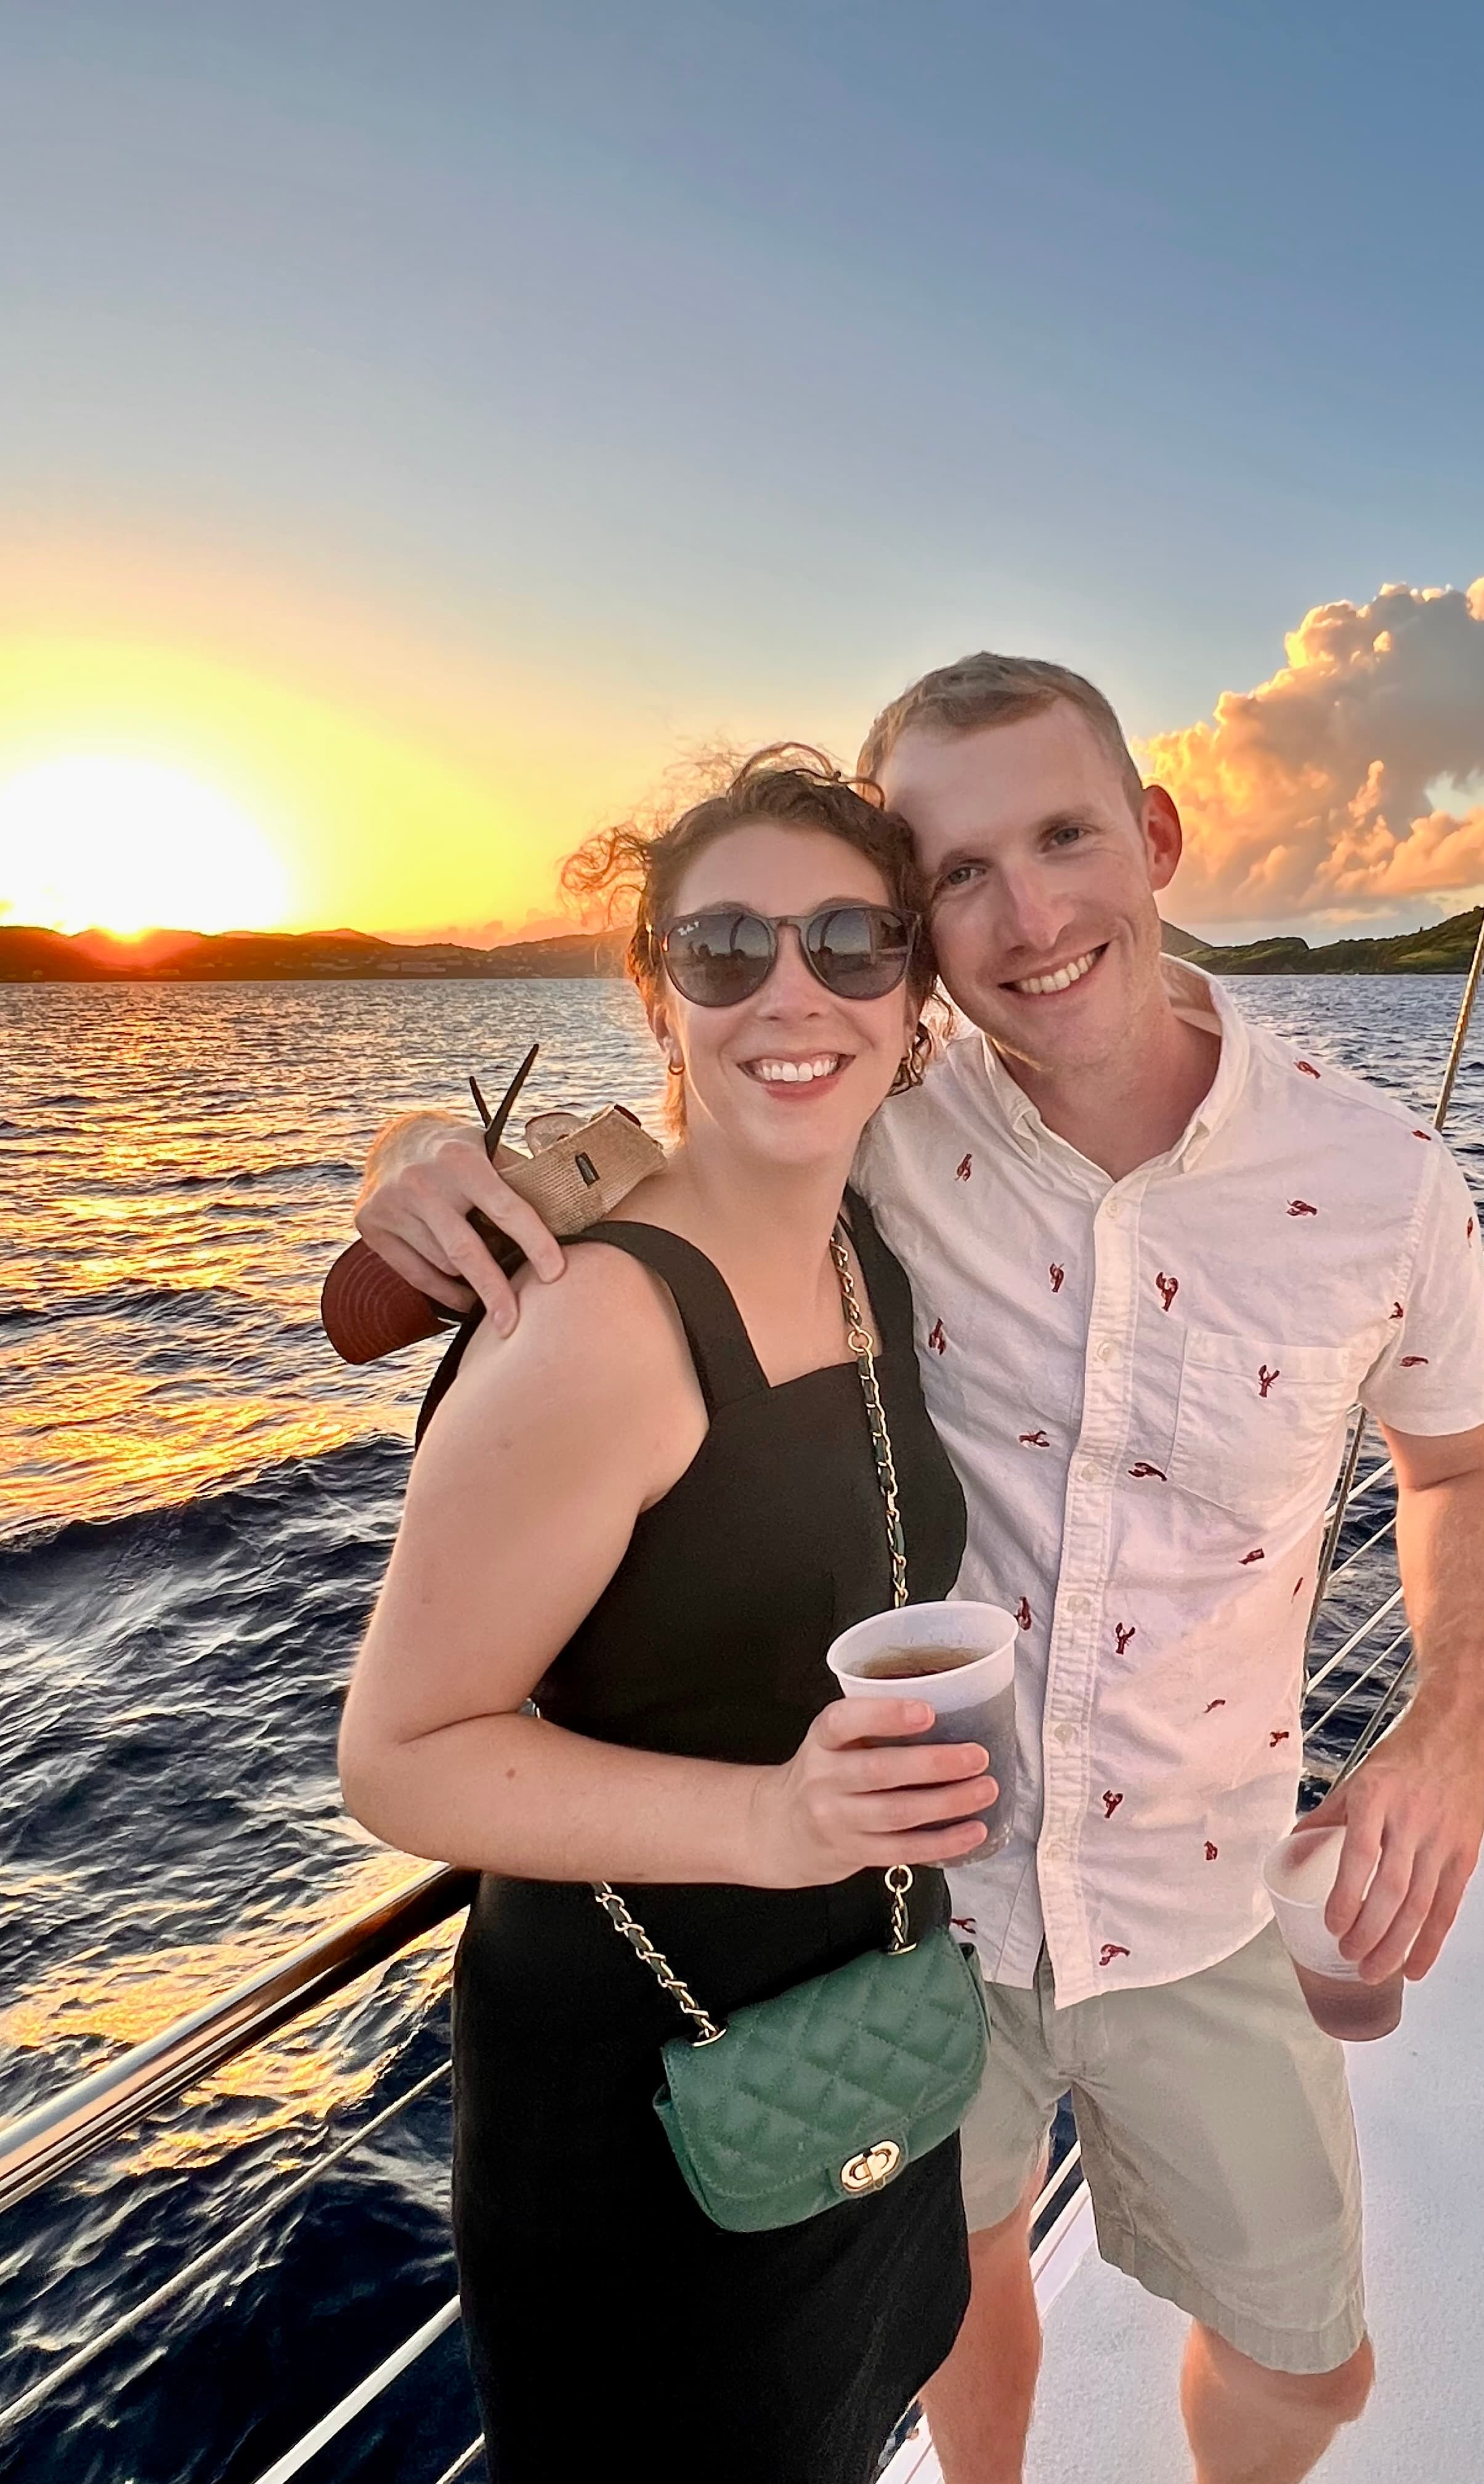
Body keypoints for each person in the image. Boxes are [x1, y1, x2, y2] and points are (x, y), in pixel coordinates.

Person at [346, 655, 1484, 2484]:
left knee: (1307, 2361)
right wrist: (411, 1153)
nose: (1026, 914)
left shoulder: (1382, 1181)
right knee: (962, 2286)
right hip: (915, 1918)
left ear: (1153, 837)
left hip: (1191, 1895)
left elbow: (1461, 1458)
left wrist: (1450, 1730)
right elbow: (652, 1165)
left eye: (1063, 837)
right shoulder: (873, 1135)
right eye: (955, 873)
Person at [337, 749, 993, 2484]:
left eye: (855, 942)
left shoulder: (868, 1235)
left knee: (850, 2429)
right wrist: (776, 1819)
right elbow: (400, 1759)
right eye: (728, 950)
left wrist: (411, 1140)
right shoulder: (604, 1322)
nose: (797, 991)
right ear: (657, 987)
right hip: (647, 2094)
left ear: (913, 986)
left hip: (859, 2040)